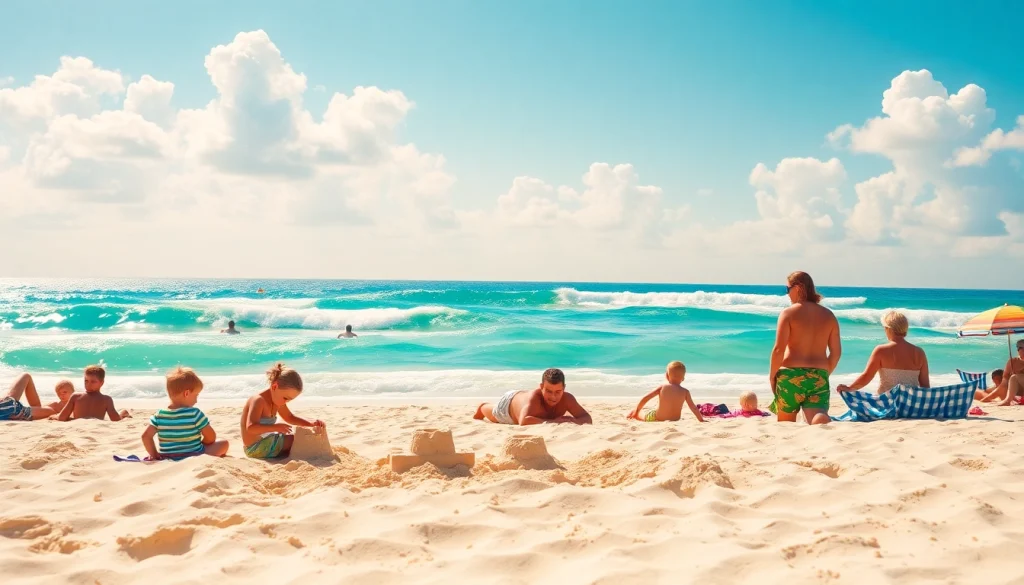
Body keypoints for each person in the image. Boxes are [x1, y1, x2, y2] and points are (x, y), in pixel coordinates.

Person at [768, 271, 841, 425]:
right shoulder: (829, 316)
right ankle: (820, 419)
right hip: (818, 375)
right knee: (817, 416)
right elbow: (836, 353)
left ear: (799, 287)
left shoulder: (788, 313)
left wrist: (772, 376)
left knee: (786, 425)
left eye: (787, 289)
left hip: (790, 376)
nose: (787, 294)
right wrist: (824, 373)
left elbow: (778, 350)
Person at [240, 363, 325, 459]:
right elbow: (251, 428)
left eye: (290, 400)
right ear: (274, 387)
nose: (286, 402)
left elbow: (290, 417)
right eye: (285, 398)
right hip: (255, 448)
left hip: (267, 440)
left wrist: (310, 423)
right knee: (297, 439)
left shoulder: (277, 400)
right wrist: (275, 427)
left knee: (295, 434)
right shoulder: (258, 400)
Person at [141, 367, 229, 460]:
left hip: (168, 457)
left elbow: (146, 436)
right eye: (196, 395)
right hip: (195, 455)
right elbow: (211, 437)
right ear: (186, 393)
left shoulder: (159, 415)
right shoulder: (195, 414)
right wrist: (203, 444)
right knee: (224, 443)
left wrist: (154, 455)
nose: (196, 400)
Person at [837, 311, 930, 395]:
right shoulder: (919, 353)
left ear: (888, 329)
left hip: (886, 405)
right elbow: (925, 386)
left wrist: (850, 388)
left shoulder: (881, 350)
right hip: (909, 406)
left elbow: (866, 376)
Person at [473, 368, 593, 425]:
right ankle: (482, 406)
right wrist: (554, 422)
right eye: (549, 391)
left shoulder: (567, 399)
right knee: (494, 417)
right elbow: (523, 421)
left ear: (564, 388)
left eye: (558, 392)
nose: (553, 396)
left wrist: (573, 420)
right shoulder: (534, 399)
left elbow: (587, 418)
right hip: (508, 405)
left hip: (522, 399)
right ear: (541, 387)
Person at [625, 361, 703, 422]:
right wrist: (701, 420)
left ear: (666, 375)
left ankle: (634, 414)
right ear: (683, 378)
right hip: (675, 419)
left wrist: (637, 411)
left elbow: (646, 398)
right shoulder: (685, 392)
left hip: (658, 418)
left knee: (640, 413)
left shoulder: (662, 387)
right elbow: (693, 408)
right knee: (652, 410)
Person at [57, 365, 131, 421]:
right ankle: (125, 412)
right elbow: (115, 420)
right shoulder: (107, 399)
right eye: (86, 381)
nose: (88, 384)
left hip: (79, 424)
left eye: (93, 382)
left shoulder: (75, 396)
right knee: (123, 412)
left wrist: (74, 419)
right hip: (96, 424)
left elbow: (61, 418)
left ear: (101, 383)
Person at [993, 340, 1024, 406]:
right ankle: (1009, 399)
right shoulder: (1012, 361)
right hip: (1019, 391)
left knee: (1014, 377)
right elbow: (1004, 382)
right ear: (1018, 350)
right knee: (1010, 381)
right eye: (1022, 349)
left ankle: (1008, 401)